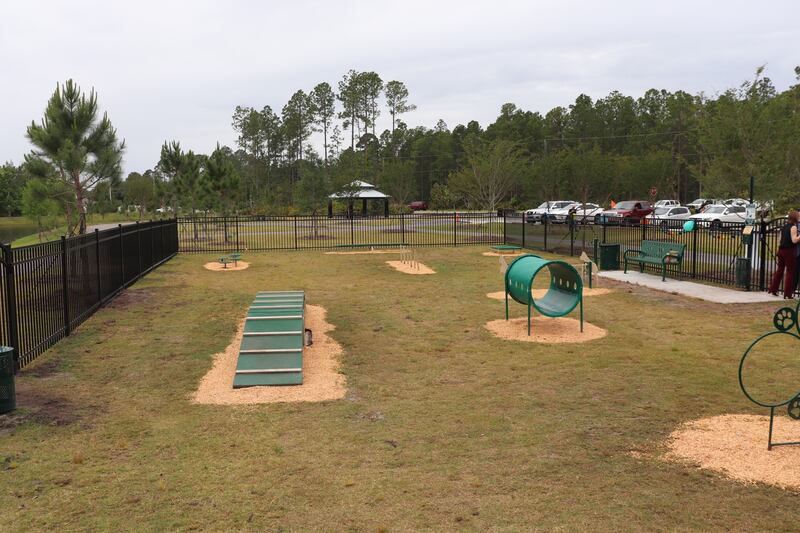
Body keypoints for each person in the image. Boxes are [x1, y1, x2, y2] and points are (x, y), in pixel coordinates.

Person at [769, 211, 800, 298]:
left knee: (780, 270)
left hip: (781, 250)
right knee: (790, 272)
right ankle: (787, 294)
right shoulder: (793, 227)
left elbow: (780, 239)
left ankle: (773, 289)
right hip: (789, 251)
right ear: (795, 218)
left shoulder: (784, 227)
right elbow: (794, 240)